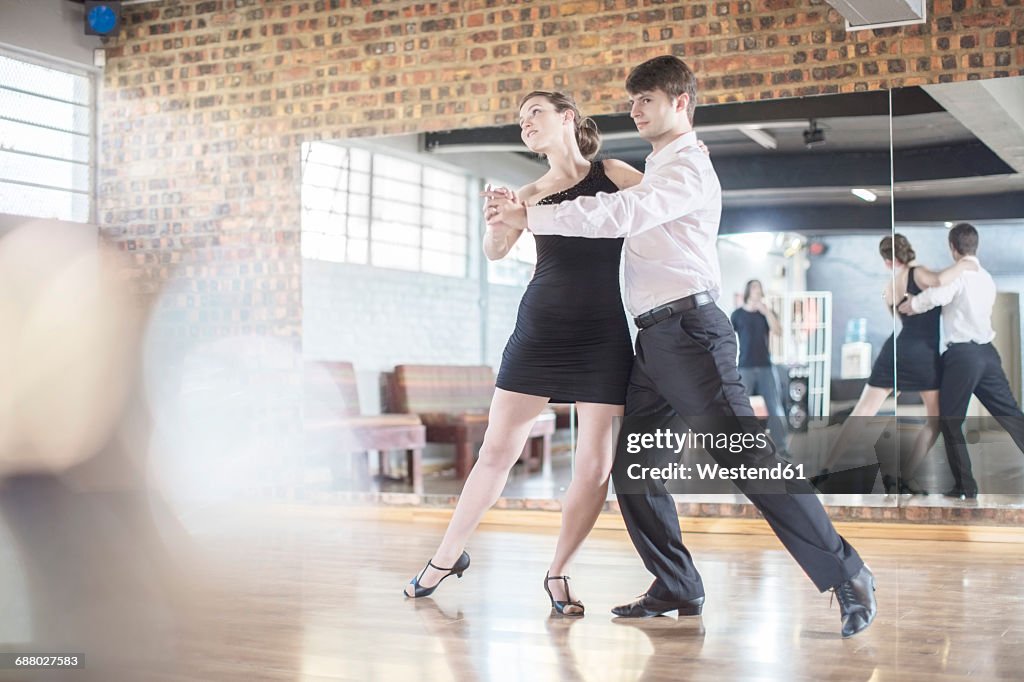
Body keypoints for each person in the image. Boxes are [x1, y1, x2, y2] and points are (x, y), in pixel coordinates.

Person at [485, 55, 877, 637]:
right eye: (632, 100)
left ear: (681, 105)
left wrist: (531, 216)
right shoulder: (657, 166)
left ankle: (847, 573)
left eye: (648, 99)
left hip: (691, 331)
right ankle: (677, 582)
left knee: (747, 458)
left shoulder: (688, 169)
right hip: (654, 339)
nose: (635, 109)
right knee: (635, 467)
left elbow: (625, 212)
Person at [403, 91, 644, 616]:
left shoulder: (615, 173)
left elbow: (663, 214)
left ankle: (558, 573)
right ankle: (446, 557)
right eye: (519, 120)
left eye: (535, 112)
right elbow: (494, 252)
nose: (525, 123)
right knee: (495, 453)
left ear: (567, 118)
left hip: (603, 334)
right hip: (539, 332)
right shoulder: (529, 192)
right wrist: (497, 218)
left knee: (595, 466)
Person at [821, 234, 976, 494]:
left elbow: (897, 317)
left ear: (887, 262)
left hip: (895, 350)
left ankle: (825, 468)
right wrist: (964, 264)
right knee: (935, 420)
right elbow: (939, 281)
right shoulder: (920, 273)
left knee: (862, 411)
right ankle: (904, 476)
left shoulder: (890, 285)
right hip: (922, 355)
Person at [899, 223, 1024, 499]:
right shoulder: (987, 277)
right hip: (988, 354)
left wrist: (912, 305)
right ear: (974, 246)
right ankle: (964, 485)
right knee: (1011, 416)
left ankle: (965, 486)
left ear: (952, 248)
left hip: (963, 356)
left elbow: (937, 294)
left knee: (950, 420)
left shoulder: (958, 276)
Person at [731, 279, 789, 454]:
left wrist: (767, 312)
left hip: (765, 366)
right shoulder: (737, 315)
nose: (758, 290)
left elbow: (778, 332)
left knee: (774, 406)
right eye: (755, 287)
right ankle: (740, 447)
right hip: (744, 367)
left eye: (759, 287)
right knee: (740, 408)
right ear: (748, 290)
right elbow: (727, 338)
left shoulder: (766, 313)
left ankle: (782, 447)